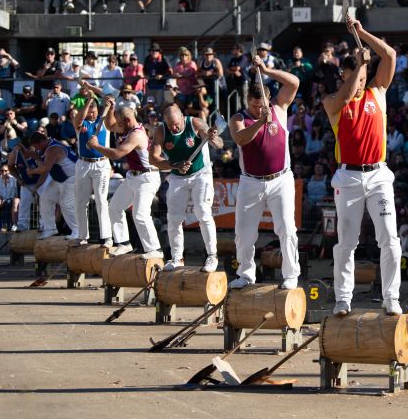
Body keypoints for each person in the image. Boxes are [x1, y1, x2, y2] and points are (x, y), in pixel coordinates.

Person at [322, 16, 402, 316]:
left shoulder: (377, 93)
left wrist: (362, 32)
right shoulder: (334, 102)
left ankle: (391, 297)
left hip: (379, 173)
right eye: (354, 71)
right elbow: (345, 93)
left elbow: (390, 55)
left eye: (364, 70)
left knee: (389, 238)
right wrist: (358, 66)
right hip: (348, 177)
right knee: (347, 241)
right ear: (344, 73)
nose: (362, 76)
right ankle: (344, 298)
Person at [228, 57, 301, 290]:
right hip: (251, 181)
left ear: (268, 100)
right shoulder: (239, 118)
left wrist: (267, 70)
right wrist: (259, 122)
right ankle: (246, 274)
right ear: (247, 101)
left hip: (280, 178)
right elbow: (240, 139)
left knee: (287, 227)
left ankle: (290, 275)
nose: (258, 109)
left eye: (261, 105)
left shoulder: (279, 108)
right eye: (253, 105)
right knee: (244, 232)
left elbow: (294, 83)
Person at [149, 105, 223, 272]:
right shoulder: (161, 132)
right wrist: (174, 165)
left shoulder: (195, 123)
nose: (174, 128)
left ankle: (212, 256)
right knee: (174, 218)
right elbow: (153, 159)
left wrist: (212, 137)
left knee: (203, 211)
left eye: (176, 124)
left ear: (182, 117)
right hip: (177, 176)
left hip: (200, 173)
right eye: (170, 125)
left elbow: (219, 144)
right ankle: (177, 258)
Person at [87, 102, 163, 259]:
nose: (118, 126)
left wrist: (96, 146)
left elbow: (116, 154)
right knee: (114, 208)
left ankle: (155, 249)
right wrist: (111, 108)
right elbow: (109, 125)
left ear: (127, 121)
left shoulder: (136, 134)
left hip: (147, 177)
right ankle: (124, 243)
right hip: (133, 177)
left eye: (120, 123)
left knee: (140, 215)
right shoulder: (127, 127)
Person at [72, 96, 113, 248]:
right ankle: (83, 236)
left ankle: (107, 237)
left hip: (101, 164)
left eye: (94, 111)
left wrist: (108, 105)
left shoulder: (103, 122)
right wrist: (88, 101)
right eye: (90, 111)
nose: (92, 114)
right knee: (80, 202)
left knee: (101, 200)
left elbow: (110, 118)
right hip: (83, 163)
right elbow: (77, 119)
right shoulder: (81, 123)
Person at [28, 131, 79, 240]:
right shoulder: (47, 146)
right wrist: (31, 154)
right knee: (46, 197)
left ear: (42, 141)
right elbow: (42, 159)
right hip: (60, 180)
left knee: (66, 204)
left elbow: (45, 168)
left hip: (73, 178)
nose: (37, 149)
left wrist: (32, 171)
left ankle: (78, 231)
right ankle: (50, 229)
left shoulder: (53, 149)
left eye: (37, 146)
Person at [8, 137, 43, 231]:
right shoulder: (15, 154)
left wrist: (38, 185)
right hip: (26, 183)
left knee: (44, 203)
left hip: (42, 182)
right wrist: (19, 178)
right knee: (24, 204)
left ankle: (45, 226)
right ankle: (22, 226)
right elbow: (10, 167)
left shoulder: (39, 153)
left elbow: (45, 172)